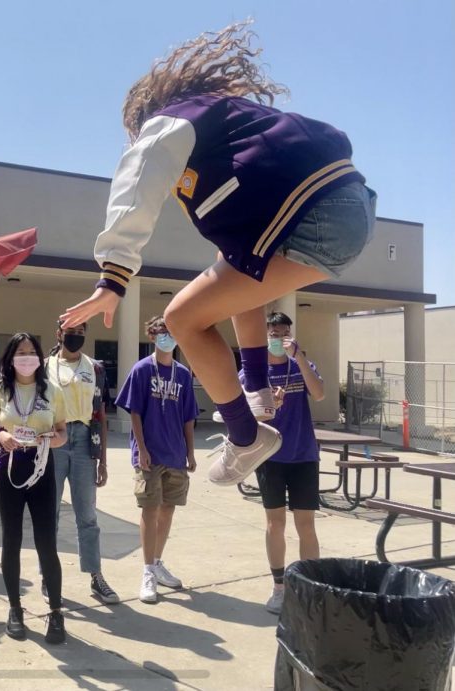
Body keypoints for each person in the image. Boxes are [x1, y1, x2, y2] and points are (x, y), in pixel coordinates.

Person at [61, 21, 376, 487]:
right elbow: (240, 270)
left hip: (315, 215)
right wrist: (253, 376)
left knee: (182, 319)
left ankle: (245, 436)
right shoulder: (233, 130)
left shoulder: (174, 119)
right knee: (233, 275)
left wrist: (113, 275)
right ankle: (254, 390)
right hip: (349, 210)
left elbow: (139, 177)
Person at [0, 333, 68, 644]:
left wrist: (55, 440)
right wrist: (0, 435)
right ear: (11, 358)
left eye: (32, 352)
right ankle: (15, 608)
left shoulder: (51, 390)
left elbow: (62, 432)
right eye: (21, 353)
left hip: (42, 467)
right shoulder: (0, 390)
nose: (27, 358)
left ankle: (56, 612)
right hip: (10, 467)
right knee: (11, 538)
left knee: (46, 541)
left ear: (40, 357)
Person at [115, 316, 198, 603]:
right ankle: (148, 571)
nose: (167, 337)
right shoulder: (141, 370)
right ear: (152, 336)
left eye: (172, 332)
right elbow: (134, 411)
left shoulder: (184, 375)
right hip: (150, 454)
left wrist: (190, 451)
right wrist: (141, 448)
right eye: (162, 332)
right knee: (149, 510)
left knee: (168, 510)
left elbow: (189, 417)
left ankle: (159, 562)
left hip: (175, 453)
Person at [44, 320, 119, 604]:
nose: (75, 337)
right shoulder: (45, 367)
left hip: (85, 440)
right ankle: (47, 576)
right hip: (55, 440)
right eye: (70, 332)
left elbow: (101, 413)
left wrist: (103, 461)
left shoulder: (95, 368)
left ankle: (95, 576)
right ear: (59, 333)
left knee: (87, 515)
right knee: (49, 513)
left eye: (80, 333)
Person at [254, 312, 324, 614]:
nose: (278, 338)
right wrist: (271, 406)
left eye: (283, 333)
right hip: (270, 457)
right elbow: (247, 416)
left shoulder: (301, 365)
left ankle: (310, 587)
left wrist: (300, 358)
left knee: (305, 525)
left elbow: (319, 394)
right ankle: (279, 586)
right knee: (275, 523)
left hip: (304, 455)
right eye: (272, 333)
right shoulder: (255, 371)